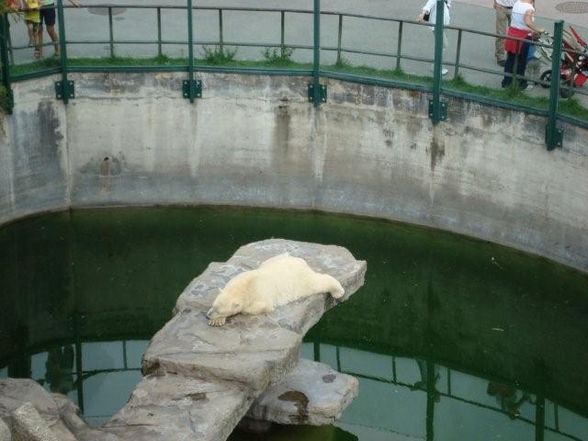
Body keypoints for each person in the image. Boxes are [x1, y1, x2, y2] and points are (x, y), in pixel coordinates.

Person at [501, 0, 544, 90]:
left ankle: (506, 82)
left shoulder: (517, 3)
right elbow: (527, 22)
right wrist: (537, 30)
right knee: (521, 62)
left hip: (512, 33)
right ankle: (521, 84)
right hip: (523, 37)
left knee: (510, 59)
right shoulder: (529, 8)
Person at [418, 0, 452, 76]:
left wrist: (448, 7)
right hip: (437, 24)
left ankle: (436, 67)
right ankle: (437, 68)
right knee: (443, 45)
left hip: (444, 23)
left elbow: (448, 4)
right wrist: (422, 14)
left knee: (440, 45)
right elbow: (429, 4)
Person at [494, 0, 516, 66]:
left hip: (515, 8)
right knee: (501, 34)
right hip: (501, 6)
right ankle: (500, 57)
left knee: (515, 34)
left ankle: (512, 55)